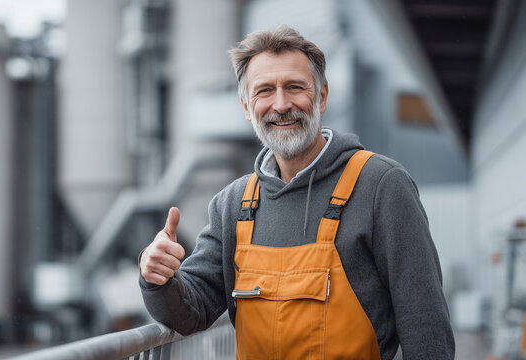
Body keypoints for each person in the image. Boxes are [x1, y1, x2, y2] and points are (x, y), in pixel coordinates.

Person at [139, 25, 454, 360]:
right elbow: (192, 310)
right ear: (247, 107)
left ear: (321, 96)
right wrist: (156, 278)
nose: (281, 104)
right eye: (264, 91)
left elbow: (425, 327)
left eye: (294, 87)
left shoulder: (381, 186)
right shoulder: (234, 205)